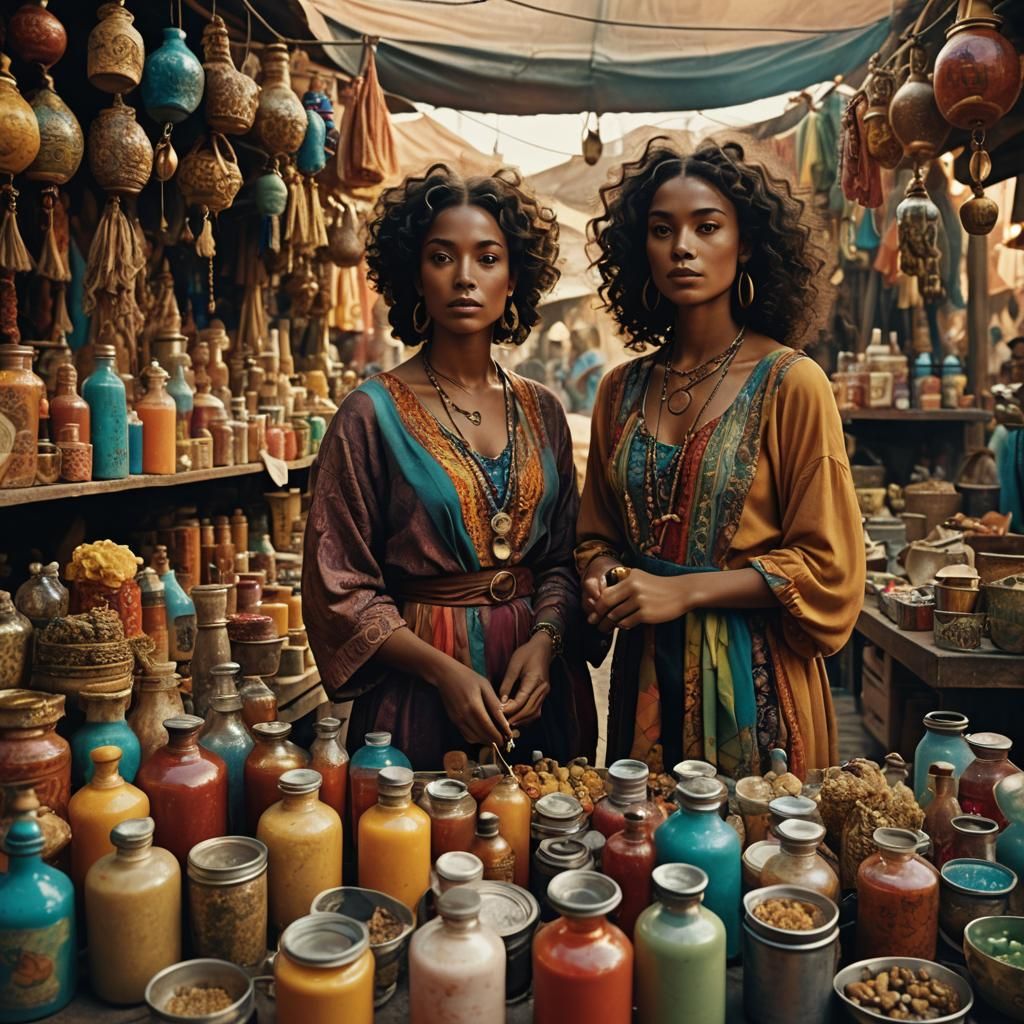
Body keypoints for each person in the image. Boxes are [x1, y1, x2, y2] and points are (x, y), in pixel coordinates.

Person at [576, 139, 864, 779]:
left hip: (758, 680)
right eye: (661, 229)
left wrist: (683, 592)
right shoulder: (620, 389)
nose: (682, 246)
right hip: (646, 671)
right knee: (641, 852)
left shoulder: (792, 382)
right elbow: (594, 532)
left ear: (749, 243)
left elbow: (829, 566)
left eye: (707, 226)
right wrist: (600, 574)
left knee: (757, 863)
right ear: (639, 250)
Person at [302, 164, 596, 768]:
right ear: (416, 273)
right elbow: (341, 587)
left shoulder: (543, 410)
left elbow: (564, 558)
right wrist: (443, 672)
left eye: (487, 258)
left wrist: (545, 644)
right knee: (417, 851)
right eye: (442, 257)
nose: (465, 277)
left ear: (514, 278)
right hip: (416, 694)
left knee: (548, 835)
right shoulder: (367, 416)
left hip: (538, 694)